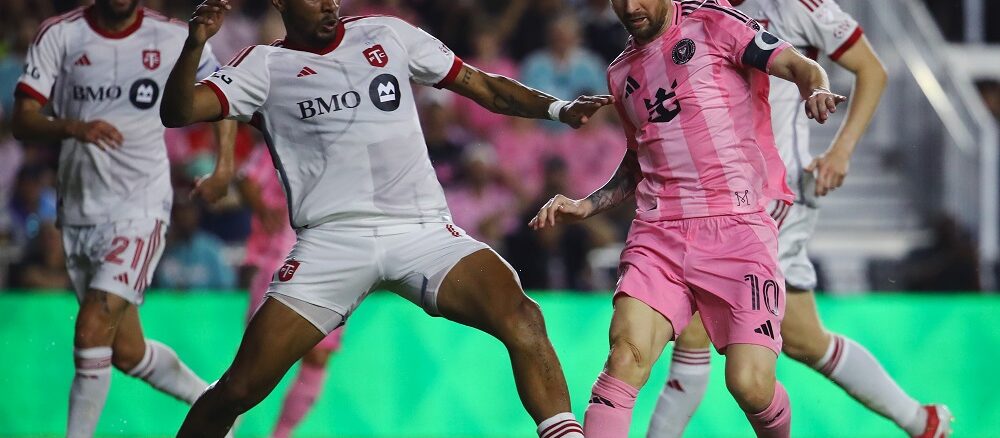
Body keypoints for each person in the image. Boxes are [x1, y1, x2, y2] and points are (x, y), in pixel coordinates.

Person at [160, 1, 612, 436]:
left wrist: (558, 109)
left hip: (422, 231)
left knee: (524, 317)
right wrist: (196, 42)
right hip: (331, 242)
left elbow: (484, 87)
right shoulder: (262, 66)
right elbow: (177, 111)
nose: (328, 5)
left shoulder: (386, 34)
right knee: (239, 388)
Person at [530, 0, 848, 436]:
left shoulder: (714, 23)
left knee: (750, 384)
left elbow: (799, 65)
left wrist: (815, 88)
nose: (629, 7)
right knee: (625, 358)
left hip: (737, 227)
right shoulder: (621, 72)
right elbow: (638, 158)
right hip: (658, 233)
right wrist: (587, 205)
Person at [645, 1, 953, 437]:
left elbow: (871, 68)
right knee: (805, 339)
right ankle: (922, 422)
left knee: (693, 322)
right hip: (716, 194)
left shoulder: (795, 6)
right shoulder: (691, 8)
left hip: (773, 194)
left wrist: (841, 150)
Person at [9, 1, 236, 436]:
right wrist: (72, 127)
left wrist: (223, 168)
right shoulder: (60, 34)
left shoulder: (171, 37)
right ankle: (216, 405)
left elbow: (223, 90)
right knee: (126, 352)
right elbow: (23, 119)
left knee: (92, 325)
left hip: (140, 208)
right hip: (78, 212)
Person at [237, 144, 346, 437]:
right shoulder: (285, 135)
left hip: (332, 260)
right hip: (282, 255)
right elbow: (246, 177)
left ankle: (280, 435)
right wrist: (263, 209)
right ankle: (223, 425)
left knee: (318, 356)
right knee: (257, 359)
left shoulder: (349, 144)